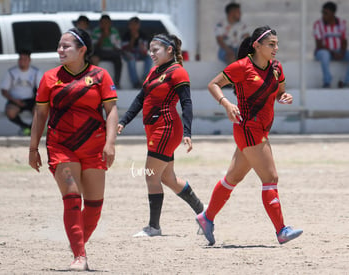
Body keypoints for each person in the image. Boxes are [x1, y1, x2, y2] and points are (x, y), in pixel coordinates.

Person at [196, 26, 303, 246]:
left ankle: (206, 218)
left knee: (233, 178)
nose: (276, 48)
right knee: (270, 178)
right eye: (271, 44)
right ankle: (281, 231)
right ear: (257, 46)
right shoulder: (242, 67)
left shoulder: (276, 68)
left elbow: (280, 90)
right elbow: (213, 84)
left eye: (276, 44)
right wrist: (226, 103)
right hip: (248, 128)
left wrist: (284, 96)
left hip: (262, 128)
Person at [28, 28, 118, 271]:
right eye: (59, 45)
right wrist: (33, 148)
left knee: (94, 206)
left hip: (94, 146)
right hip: (61, 146)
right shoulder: (49, 78)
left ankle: (78, 243)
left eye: (66, 46)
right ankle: (80, 256)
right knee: (71, 198)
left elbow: (111, 111)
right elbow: (40, 114)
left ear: (82, 50)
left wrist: (110, 143)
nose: (60, 50)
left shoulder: (100, 76)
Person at [117, 33, 204, 237]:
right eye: (150, 50)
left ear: (169, 50)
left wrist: (188, 131)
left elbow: (187, 103)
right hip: (155, 128)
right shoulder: (154, 71)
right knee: (168, 178)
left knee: (151, 175)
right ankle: (204, 213)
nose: (151, 53)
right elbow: (140, 99)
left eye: (155, 50)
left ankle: (154, 227)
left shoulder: (178, 72)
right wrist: (123, 121)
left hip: (166, 128)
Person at [0, 49, 42, 136]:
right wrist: (14, 100)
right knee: (10, 112)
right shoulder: (11, 72)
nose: (22, 61)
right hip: (15, 99)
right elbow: (4, 91)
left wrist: (38, 102)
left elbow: (41, 90)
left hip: (31, 99)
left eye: (25, 59)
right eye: (20, 59)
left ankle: (32, 129)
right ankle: (25, 127)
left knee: (40, 111)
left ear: (29, 60)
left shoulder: (36, 72)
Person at [313, 1, 349, 88]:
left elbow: (344, 40)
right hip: (323, 52)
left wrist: (342, 52)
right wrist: (333, 53)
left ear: (333, 13)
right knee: (324, 54)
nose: (323, 15)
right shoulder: (318, 24)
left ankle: (345, 81)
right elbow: (319, 44)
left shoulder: (341, 23)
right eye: (323, 12)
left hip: (338, 51)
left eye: (326, 13)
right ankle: (327, 81)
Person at [91, 14, 122, 89]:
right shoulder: (96, 31)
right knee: (94, 59)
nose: (105, 25)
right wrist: (102, 37)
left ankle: (116, 83)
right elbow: (94, 46)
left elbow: (118, 46)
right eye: (103, 23)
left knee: (118, 60)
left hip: (111, 52)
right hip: (99, 51)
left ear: (110, 23)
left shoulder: (114, 31)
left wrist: (110, 37)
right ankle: (94, 81)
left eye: (106, 23)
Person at [121, 16, 153, 89]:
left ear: (138, 25)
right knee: (131, 58)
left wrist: (142, 47)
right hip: (128, 54)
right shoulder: (126, 35)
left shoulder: (143, 35)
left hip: (139, 54)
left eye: (136, 24)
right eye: (132, 24)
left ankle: (145, 79)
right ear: (129, 26)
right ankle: (136, 83)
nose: (134, 27)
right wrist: (133, 39)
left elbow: (145, 51)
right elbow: (125, 50)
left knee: (149, 58)